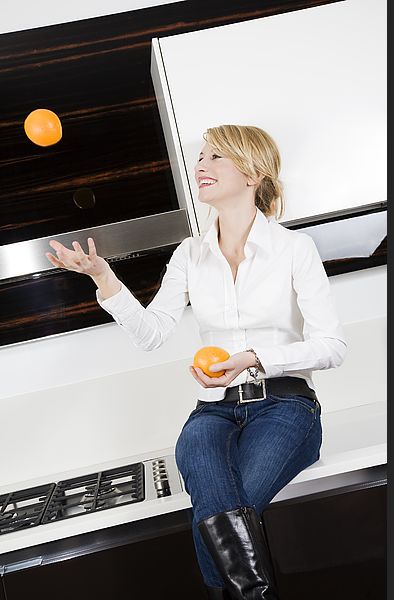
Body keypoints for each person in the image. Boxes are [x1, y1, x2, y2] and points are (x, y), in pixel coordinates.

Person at [45, 124, 348, 600]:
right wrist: (104, 277)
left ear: (252, 173)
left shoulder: (293, 249)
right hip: (213, 410)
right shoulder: (190, 254)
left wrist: (255, 357)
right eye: (199, 157)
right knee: (221, 502)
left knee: (219, 505)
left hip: (286, 407)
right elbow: (151, 334)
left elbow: (331, 346)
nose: (200, 166)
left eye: (214, 158)